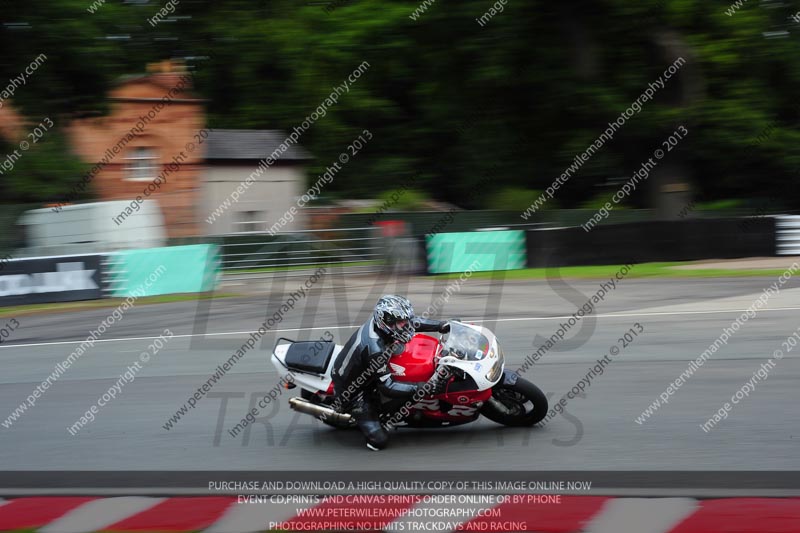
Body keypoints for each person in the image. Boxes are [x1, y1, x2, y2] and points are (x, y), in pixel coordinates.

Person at [331, 295, 449, 451]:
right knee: (379, 442)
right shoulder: (376, 349)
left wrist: (441, 325)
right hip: (353, 391)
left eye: (405, 321)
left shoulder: (383, 325)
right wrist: (424, 387)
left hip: (365, 370)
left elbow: (411, 322)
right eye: (401, 323)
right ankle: (362, 415)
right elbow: (388, 386)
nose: (406, 325)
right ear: (386, 322)